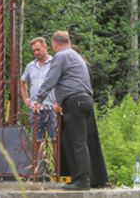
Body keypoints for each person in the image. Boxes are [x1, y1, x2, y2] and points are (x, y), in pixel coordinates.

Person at [34, 31, 107, 191]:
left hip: (75, 102)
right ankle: (77, 177)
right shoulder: (75, 55)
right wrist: (60, 101)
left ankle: (83, 181)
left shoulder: (61, 56)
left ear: (54, 44)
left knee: (77, 142)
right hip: (83, 100)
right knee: (68, 140)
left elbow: (51, 80)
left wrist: (38, 100)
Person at [20, 37, 57, 143]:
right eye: (34, 51)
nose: (36, 52)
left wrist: (58, 101)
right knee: (36, 140)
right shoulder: (30, 66)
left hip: (51, 107)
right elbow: (22, 81)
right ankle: (39, 159)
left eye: (38, 49)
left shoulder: (54, 63)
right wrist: (26, 99)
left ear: (45, 47)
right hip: (35, 108)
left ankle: (55, 159)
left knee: (55, 139)